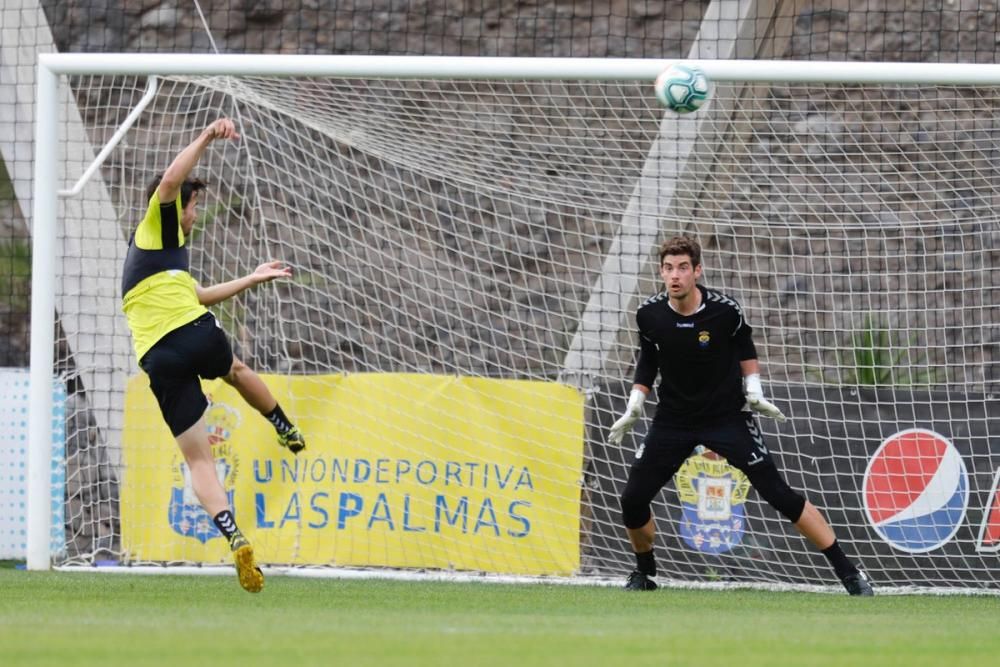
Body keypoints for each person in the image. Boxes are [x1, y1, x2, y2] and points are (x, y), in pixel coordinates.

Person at [609, 235, 873, 596]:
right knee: (632, 499)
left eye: (683, 267)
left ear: (697, 271)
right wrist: (634, 404)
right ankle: (644, 572)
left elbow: (745, 346)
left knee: (779, 494)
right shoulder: (648, 314)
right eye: (668, 268)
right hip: (673, 420)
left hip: (726, 418)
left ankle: (849, 573)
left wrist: (755, 391)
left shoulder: (724, 311)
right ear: (661, 271)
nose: (675, 275)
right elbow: (648, 360)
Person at [121, 118, 306, 593]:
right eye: (195, 206)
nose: (196, 214)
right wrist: (205, 136)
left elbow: (199, 294)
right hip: (194, 335)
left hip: (158, 359)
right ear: (177, 208)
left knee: (199, 462)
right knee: (237, 370)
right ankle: (283, 424)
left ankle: (234, 537)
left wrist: (251, 277)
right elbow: (168, 182)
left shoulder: (163, 259)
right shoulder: (157, 223)